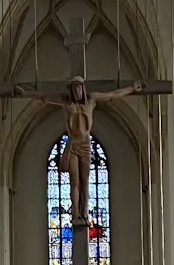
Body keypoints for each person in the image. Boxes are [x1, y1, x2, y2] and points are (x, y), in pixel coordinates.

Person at [13, 77, 143, 226]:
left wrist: (132, 89)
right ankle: (75, 215)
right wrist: (25, 94)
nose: (77, 91)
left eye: (79, 87)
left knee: (85, 182)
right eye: (74, 88)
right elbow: (44, 97)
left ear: (83, 88)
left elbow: (112, 95)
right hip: (73, 145)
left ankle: (84, 214)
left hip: (86, 146)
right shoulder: (67, 103)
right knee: (74, 182)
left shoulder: (92, 99)